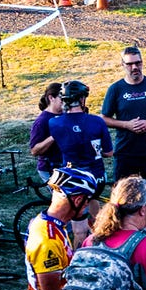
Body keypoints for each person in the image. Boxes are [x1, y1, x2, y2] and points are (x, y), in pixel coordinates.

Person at [101, 47, 146, 193]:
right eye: (129, 64)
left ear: (142, 62)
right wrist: (126, 125)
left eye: (137, 63)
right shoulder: (115, 89)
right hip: (126, 153)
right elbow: (104, 118)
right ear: (122, 65)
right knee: (124, 196)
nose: (134, 67)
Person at [23, 167, 93, 290]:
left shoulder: (54, 224)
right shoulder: (47, 241)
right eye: (87, 200)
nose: (87, 205)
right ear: (78, 200)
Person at [33, 81, 111, 213]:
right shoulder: (97, 121)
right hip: (97, 175)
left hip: (72, 177)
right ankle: (97, 230)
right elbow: (109, 153)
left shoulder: (54, 122)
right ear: (82, 99)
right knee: (94, 203)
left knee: (77, 217)